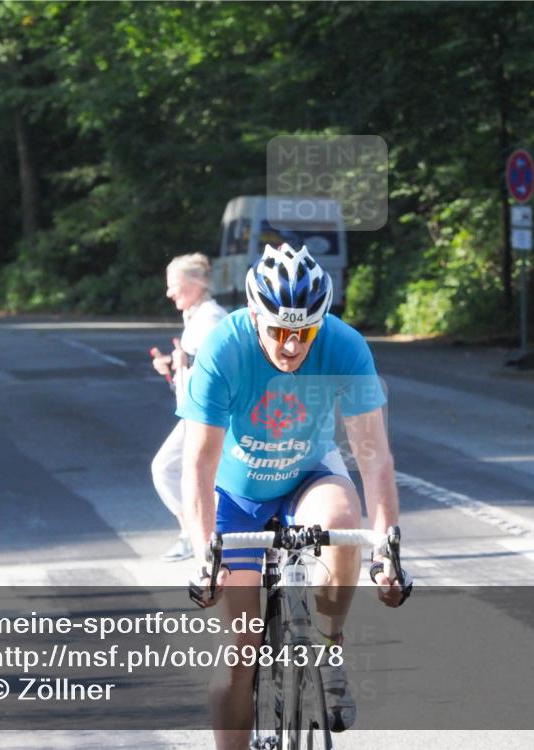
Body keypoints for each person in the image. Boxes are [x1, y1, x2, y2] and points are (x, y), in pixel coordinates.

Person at [177, 243, 412, 749]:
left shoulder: (344, 346)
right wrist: (203, 556)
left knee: (342, 522)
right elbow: (198, 464)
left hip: (307, 476)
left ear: (319, 323)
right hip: (237, 495)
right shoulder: (224, 348)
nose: (290, 345)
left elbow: (374, 458)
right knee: (241, 651)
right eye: (278, 331)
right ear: (254, 316)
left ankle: (328, 645)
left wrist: (386, 552)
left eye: (303, 332)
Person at [150, 253, 227, 561]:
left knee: (166, 468)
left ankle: (195, 535)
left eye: (174, 285)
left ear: (195, 284)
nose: (169, 293)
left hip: (208, 414)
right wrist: (172, 364)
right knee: (195, 473)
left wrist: (185, 361)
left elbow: (217, 363)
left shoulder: (210, 318)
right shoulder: (197, 315)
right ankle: (199, 534)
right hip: (198, 412)